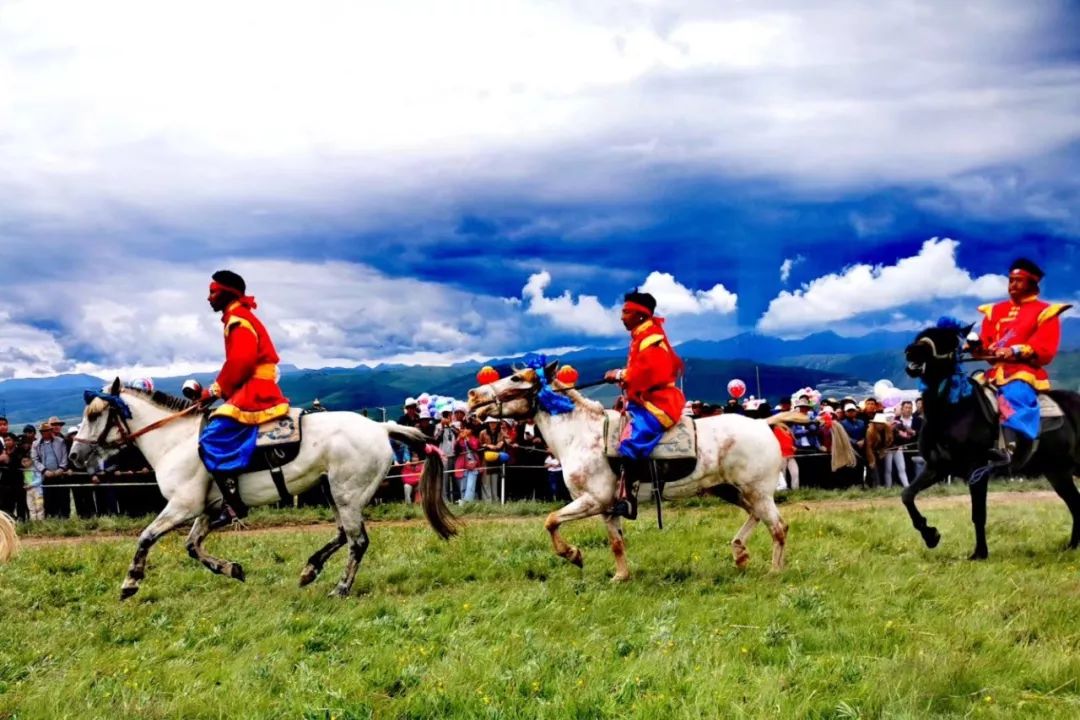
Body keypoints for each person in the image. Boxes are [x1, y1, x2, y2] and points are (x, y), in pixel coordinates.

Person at [197, 270, 290, 527]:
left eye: (212, 292)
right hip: (252, 384)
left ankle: (234, 504)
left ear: (226, 293)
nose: (208, 298)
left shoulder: (238, 319)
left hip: (255, 387)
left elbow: (240, 362)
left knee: (212, 437)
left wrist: (214, 391)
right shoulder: (239, 317)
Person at [974, 258, 1070, 473]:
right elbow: (987, 342)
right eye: (1011, 280)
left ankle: (1020, 444)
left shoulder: (1046, 312)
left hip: (1024, 371)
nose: (1013, 285)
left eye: (1019, 280)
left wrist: (1015, 350)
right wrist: (978, 348)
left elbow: (1045, 349)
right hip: (993, 372)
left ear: (1032, 284)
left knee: (1015, 394)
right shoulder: (994, 311)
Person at [604, 290, 686, 519]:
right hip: (644, 400)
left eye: (626, 312)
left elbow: (649, 374)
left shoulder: (652, 338)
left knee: (632, 438)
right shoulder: (640, 337)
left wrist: (620, 374)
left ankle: (628, 498)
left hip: (659, 403)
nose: (622, 317)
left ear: (640, 315)